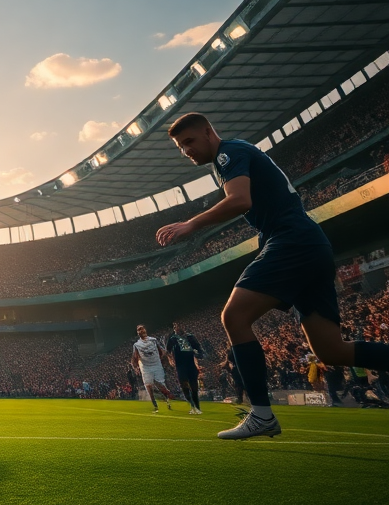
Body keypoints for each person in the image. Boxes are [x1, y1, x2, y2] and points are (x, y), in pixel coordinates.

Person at [156, 112, 389, 439]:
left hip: (292, 240)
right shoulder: (230, 156)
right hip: (307, 244)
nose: (186, 150)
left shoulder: (228, 154)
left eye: (190, 141)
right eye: (181, 147)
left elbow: (240, 200)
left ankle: (262, 415)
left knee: (234, 317)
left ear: (209, 132)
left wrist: (191, 224)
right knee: (331, 350)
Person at [131, 325, 172, 413]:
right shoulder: (137, 345)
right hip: (145, 367)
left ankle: (167, 400)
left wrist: (162, 361)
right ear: (138, 333)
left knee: (161, 384)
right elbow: (134, 357)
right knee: (148, 385)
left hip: (156, 365)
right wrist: (135, 367)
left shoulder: (153, 340)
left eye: (142, 328)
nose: (141, 330)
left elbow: (161, 352)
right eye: (139, 330)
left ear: (145, 330)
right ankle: (155, 406)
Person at [166, 321, 205, 414]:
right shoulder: (173, 339)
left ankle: (197, 407)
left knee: (194, 386)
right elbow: (167, 351)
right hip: (180, 365)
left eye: (179, 325)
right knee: (184, 384)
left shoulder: (190, 337)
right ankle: (192, 406)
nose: (177, 327)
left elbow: (199, 349)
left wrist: (199, 354)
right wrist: (170, 359)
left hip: (191, 363)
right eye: (175, 325)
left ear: (183, 326)